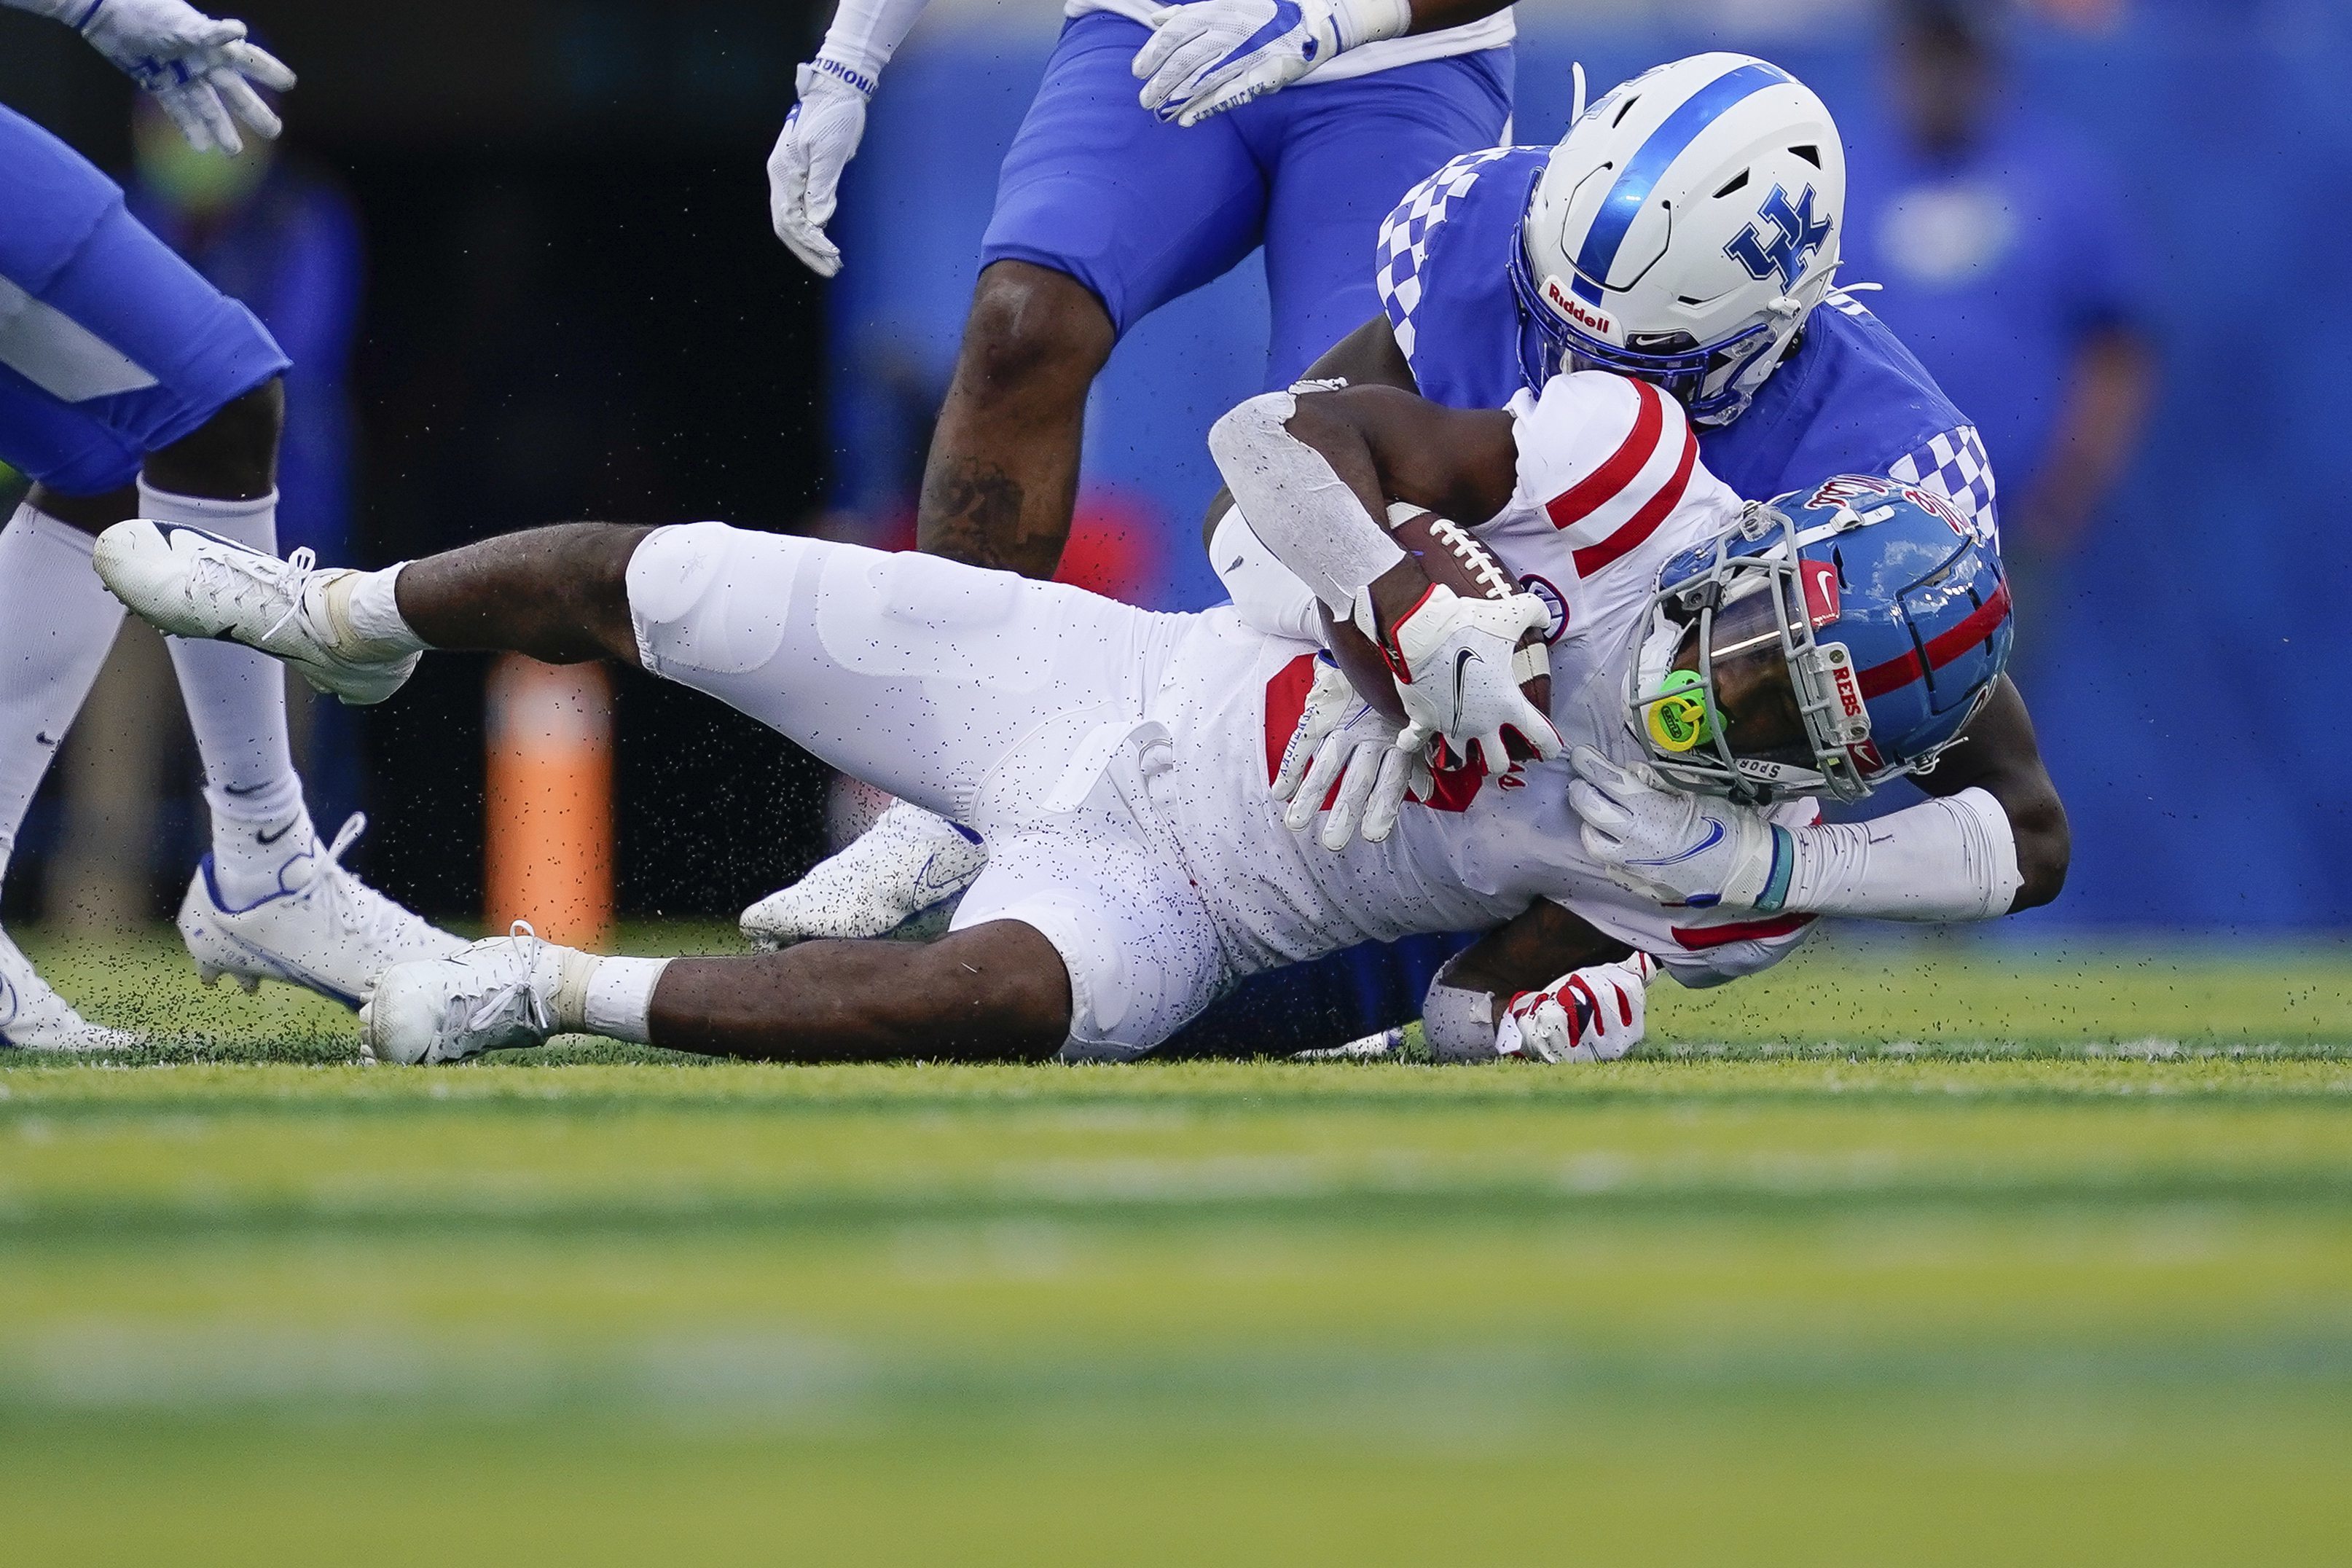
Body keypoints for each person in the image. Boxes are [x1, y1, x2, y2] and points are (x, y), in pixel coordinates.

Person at [90, 366, 2065, 1068]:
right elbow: (1263, 446)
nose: (1707, 690)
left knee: (991, 1011)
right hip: (1118, 677)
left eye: (1759, 717)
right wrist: (1386, 599)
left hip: (1201, 912)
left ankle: (541, 989)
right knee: (675, 577)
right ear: (1757, 543)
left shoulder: (1728, 876)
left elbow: (1460, 993)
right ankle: (344, 613)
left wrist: (1552, 999)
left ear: (1827, 767)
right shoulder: (1625, 471)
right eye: (1738, 640)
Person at [772, 52, 2020, 1043]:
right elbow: (1256, 492)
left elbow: (2024, 831)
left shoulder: (1885, 478)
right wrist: (1376, 628)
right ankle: (954, 807)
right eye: (1548, 315)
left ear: (1761, 339)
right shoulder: (1483, 237)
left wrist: (1769, 858)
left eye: (1625, 355)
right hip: (1396, 738)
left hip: (1613, 828)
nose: (1570, 370)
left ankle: (1507, 986)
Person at [745, 0, 1520, 949]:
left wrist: (1332, 16)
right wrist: (846, 65)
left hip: (1398, 58)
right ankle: (942, 795)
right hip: (1160, 29)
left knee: (1350, 425)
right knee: (1022, 322)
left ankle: (1330, 877)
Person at [0, 0, 460, 1047]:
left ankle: (265, 859)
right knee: (212, 393)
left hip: (265, 535)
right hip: (209, 544)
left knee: (114, 444)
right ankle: (266, 864)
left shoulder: (303, 221)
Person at [1839, 0, 2154, 667]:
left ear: (1990, 65)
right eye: (1926, 56)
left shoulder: (2061, 179)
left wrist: (2065, 499)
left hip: (2008, 530)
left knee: (1995, 741)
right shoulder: (1843, 181)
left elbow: (2117, 351)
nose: (1940, 78)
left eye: (1956, 57)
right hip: (1865, 532)